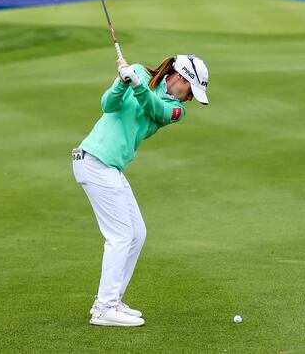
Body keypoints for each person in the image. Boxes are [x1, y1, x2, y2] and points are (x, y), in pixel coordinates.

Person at [73, 54, 210, 327]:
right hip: (94, 162)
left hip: (111, 168)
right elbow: (108, 105)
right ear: (179, 77)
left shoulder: (175, 109)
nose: (190, 98)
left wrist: (134, 84)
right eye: (190, 90)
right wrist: (122, 83)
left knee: (137, 233)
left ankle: (113, 299)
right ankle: (104, 308)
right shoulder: (137, 72)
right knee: (121, 235)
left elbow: (154, 107)